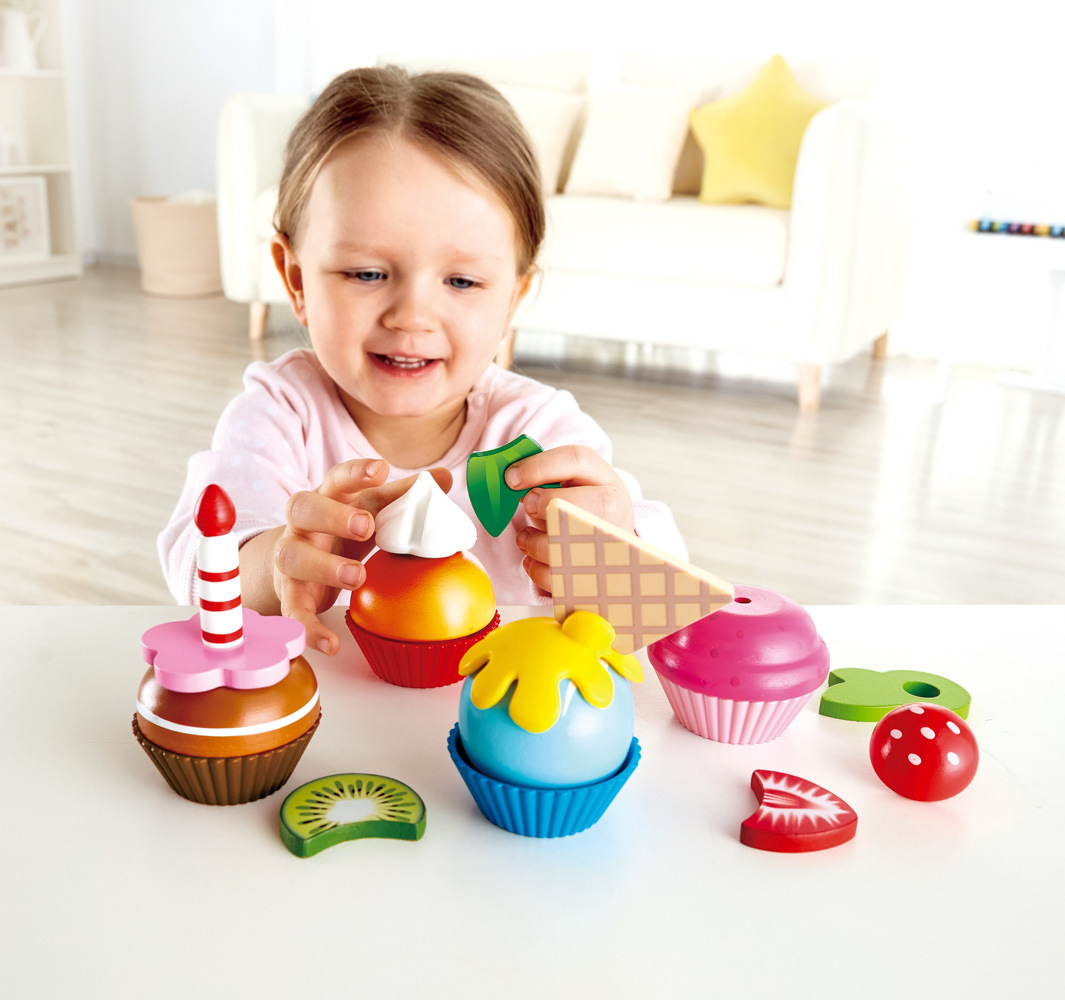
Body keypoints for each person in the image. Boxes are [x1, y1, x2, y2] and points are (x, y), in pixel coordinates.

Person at [159, 66, 686, 656]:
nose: (411, 316)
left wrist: (615, 552)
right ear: (296, 280)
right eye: (366, 273)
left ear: (513, 299)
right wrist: (279, 564)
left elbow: (663, 605)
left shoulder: (540, 433)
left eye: (461, 281)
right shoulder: (280, 411)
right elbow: (200, 566)